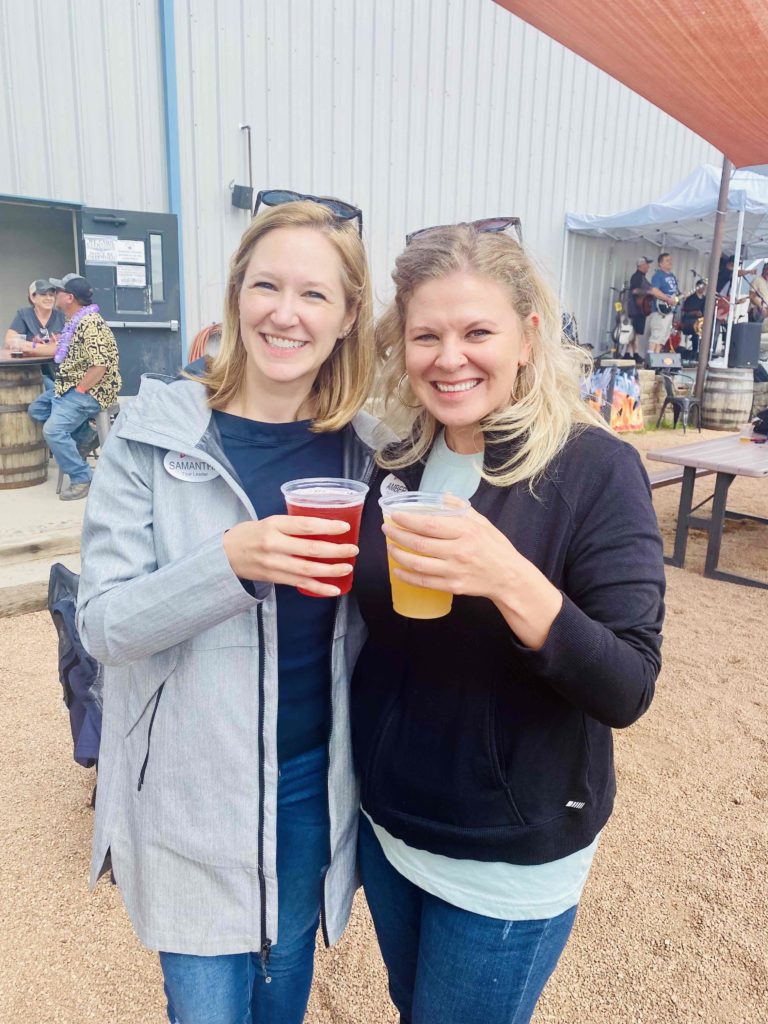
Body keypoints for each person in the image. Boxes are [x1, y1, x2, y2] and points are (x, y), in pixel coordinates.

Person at [350, 224, 665, 1024]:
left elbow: (627, 685)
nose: (449, 357)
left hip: (507, 851)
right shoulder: (398, 467)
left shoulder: (595, 469)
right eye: (427, 335)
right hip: (392, 827)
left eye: (476, 331)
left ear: (527, 338)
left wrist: (508, 579)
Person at [76, 198, 380, 1024]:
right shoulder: (152, 435)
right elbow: (101, 624)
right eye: (267, 285)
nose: (286, 313)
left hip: (312, 790)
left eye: (315, 295)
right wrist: (227, 567)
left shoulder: (370, 451)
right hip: (190, 795)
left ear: (349, 314)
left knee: (282, 1009)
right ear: (236, 294)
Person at [27, 274, 121, 500]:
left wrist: (79, 391)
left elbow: (100, 366)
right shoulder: (74, 320)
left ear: (69, 297)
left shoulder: (91, 324)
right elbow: (64, 350)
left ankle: (82, 478)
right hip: (67, 384)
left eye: (57, 292)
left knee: (53, 430)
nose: (53, 295)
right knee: (36, 409)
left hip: (91, 390)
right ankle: (87, 434)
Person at [5, 278, 65, 380]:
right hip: (31, 372)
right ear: (33, 297)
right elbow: (10, 341)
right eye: (43, 294)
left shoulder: (62, 316)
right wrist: (47, 348)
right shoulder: (24, 314)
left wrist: (31, 348)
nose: (49, 298)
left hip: (59, 373)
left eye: (51, 295)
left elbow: (63, 348)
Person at [647, 252, 680, 353]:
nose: (670, 262)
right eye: (667, 260)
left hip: (669, 311)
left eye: (670, 260)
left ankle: (655, 360)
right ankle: (650, 360)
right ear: (660, 264)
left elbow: (675, 294)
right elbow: (654, 291)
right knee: (656, 336)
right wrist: (667, 299)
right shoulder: (658, 276)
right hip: (660, 311)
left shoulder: (673, 276)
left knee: (663, 338)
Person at [627, 256, 651, 353]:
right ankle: (633, 353)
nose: (648, 266)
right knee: (634, 332)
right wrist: (649, 292)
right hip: (637, 309)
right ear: (641, 265)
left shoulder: (642, 277)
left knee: (635, 332)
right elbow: (635, 290)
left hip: (640, 309)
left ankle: (630, 352)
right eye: (647, 264)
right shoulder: (637, 277)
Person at [680, 279, 707, 360]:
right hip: (689, 322)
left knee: (707, 328)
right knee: (697, 329)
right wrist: (694, 313)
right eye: (701, 287)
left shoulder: (706, 299)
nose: (703, 289)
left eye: (704, 287)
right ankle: (694, 354)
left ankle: (705, 354)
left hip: (702, 322)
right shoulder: (690, 298)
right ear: (697, 287)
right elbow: (685, 312)